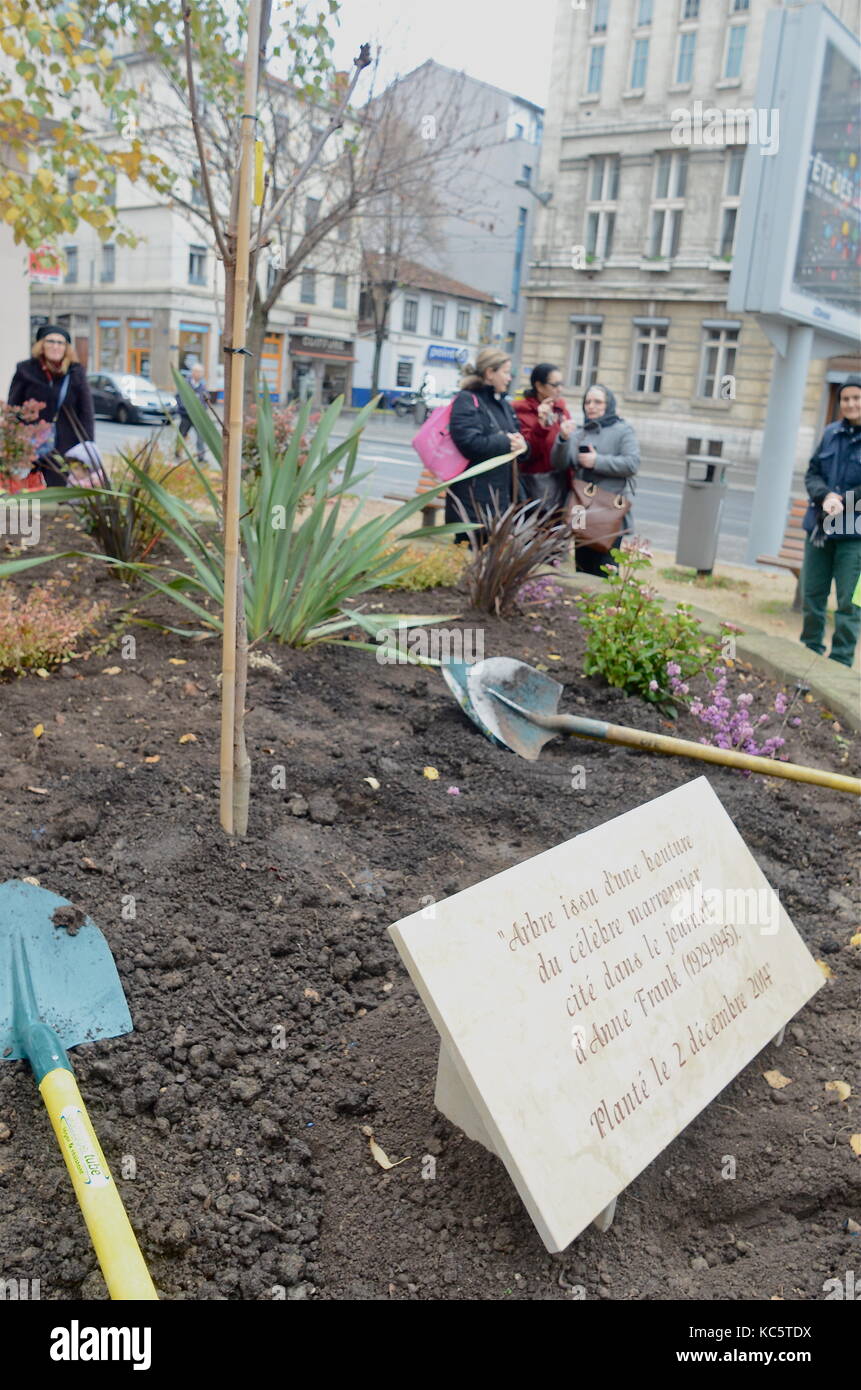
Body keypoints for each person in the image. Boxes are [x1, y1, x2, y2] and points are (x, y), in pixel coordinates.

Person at [800, 377, 861, 667]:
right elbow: (812, 473)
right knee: (812, 595)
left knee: (851, 604)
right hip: (820, 529)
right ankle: (808, 651)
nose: (850, 404)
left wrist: (844, 502)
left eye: (856, 398)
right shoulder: (830, 433)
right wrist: (825, 496)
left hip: (855, 535)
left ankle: (840, 662)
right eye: (845, 399)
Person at [551, 381, 640, 575]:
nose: (591, 406)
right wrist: (563, 440)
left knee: (606, 571)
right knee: (582, 567)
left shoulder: (623, 430)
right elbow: (559, 464)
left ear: (608, 405)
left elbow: (632, 464)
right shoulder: (580, 432)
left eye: (597, 402)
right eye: (587, 402)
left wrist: (597, 461)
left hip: (608, 509)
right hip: (581, 507)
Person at [446, 348, 528, 539]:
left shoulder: (503, 405)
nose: (509, 378)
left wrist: (523, 446)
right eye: (506, 372)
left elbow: (519, 439)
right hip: (472, 501)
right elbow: (469, 443)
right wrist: (506, 441)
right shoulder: (466, 400)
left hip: (501, 499)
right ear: (490, 373)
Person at [7, 324, 95, 487]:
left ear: (66, 348)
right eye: (51, 341)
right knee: (28, 496)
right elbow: (13, 408)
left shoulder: (76, 373)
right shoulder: (25, 370)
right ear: (41, 345)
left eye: (60, 343)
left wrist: (87, 447)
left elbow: (86, 413)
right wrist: (13, 442)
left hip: (64, 448)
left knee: (59, 497)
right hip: (30, 446)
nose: (55, 346)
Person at [514, 363, 572, 513]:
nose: (560, 389)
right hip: (535, 486)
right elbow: (527, 453)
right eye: (555, 385)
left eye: (561, 384)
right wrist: (541, 424)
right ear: (539, 386)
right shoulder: (522, 411)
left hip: (562, 484)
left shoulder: (561, 410)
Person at [176, 361, 210, 462]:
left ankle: (201, 456)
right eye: (196, 372)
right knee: (182, 434)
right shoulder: (185, 383)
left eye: (200, 372)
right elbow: (179, 397)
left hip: (198, 417)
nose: (198, 374)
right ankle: (177, 453)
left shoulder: (202, 386)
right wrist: (185, 408)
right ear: (192, 372)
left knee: (200, 436)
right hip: (186, 415)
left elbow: (206, 399)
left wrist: (203, 409)